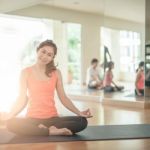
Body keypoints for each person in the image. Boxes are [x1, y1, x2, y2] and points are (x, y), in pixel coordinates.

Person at [0, 40, 91, 136]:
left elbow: (63, 97)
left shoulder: (56, 73)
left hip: (53, 119)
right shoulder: (25, 72)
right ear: (37, 50)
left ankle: (44, 130)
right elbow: (21, 97)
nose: (45, 56)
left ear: (52, 58)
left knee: (82, 121)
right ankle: (50, 131)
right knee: (11, 123)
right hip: (32, 119)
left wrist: (79, 112)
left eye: (49, 55)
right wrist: (10, 114)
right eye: (43, 51)